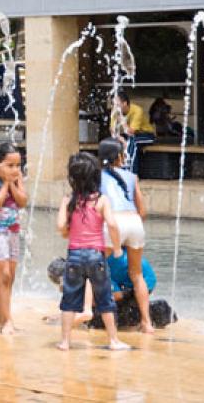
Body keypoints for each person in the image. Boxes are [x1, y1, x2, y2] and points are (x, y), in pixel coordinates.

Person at [56, 152, 129, 351]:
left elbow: (61, 225)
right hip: (96, 255)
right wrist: (116, 249)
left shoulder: (68, 200)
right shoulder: (101, 200)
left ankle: (65, 341)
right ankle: (113, 340)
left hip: (74, 255)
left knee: (69, 299)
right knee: (105, 297)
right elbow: (112, 225)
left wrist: (67, 234)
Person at [98, 137, 154, 333]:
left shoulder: (96, 176)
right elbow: (143, 212)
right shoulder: (132, 177)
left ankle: (85, 310)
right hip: (134, 222)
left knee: (92, 268)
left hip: (114, 222)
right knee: (137, 274)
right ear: (120, 156)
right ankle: (146, 323)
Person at [46, 254, 177, 329]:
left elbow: (116, 295)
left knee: (97, 319)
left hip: (142, 282)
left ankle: (159, 311)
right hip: (132, 280)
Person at [0, 142, 28, 335]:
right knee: (5, 274)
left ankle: (2, 319)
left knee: (10, 277)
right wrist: (8, 183)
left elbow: (23, 201)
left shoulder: (17, 177)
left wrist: (14, 182)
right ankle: (7, 320)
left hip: (13, 231)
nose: (15, 170)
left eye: (18, 166)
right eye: (10, 165)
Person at [110, 91, 155, 174]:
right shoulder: (114, 111)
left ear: (125, 103)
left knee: (132, 141)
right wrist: (118, 137)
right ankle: (116, 170)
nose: (114, 106)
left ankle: (131, 173)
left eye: (116, 104)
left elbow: (131, 132)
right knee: (114, 141)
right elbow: (112, 130)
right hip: (130, 135)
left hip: (147, 135)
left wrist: (122, 121)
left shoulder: (137, 110)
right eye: (113, 104)